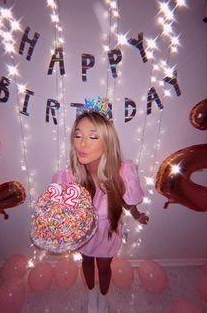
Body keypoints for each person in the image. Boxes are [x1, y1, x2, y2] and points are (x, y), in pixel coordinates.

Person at [52, 109, 149, 313]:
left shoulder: (122, 172)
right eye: (78, 135)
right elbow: (64, 211)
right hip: (85, 233)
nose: (82, 143)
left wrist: (137, 215)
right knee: (87, 261)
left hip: (107, 232)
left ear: (107, 142)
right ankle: (91, 292)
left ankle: (103, 296)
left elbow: (126, 201)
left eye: (92, 136)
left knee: (104, 267)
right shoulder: (70, 176)